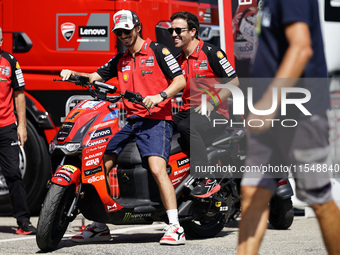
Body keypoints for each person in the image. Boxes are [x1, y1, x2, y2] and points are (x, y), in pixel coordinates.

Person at [60, 10, 186, 245]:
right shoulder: (121, 58)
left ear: (137, 27)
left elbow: (180, 80)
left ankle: (175, 227)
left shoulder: (159, 51)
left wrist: (160, 96)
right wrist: (72, 74)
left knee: (157, 168)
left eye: (127, 30)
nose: (123, 35)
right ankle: (99, 225)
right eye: (119, 32)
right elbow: (93, 77)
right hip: (132, 122)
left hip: (157, 120)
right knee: (99, 163)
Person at [238, 0, 340, 254]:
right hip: (268, 113)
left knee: (318, 197)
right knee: (253, 194)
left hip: (300, 112)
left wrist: (269, 103)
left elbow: (301, 47)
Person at [169, 11, 239, 198]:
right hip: (188, 111)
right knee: (163, 125)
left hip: (216, 114)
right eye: (171, 30)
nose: (173, 34)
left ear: (192, 31)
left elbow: (234, 82)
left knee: (187, 126)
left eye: (178, 30)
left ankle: (206, 179)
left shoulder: (211, 52)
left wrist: (212, 102)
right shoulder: (177, 60)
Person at [0, 28, 36, 235]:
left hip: (6, 127)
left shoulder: (10, 61)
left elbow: (19, 93)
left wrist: (22, 126)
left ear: (2, 40)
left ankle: (23, 221)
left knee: (13, 173)